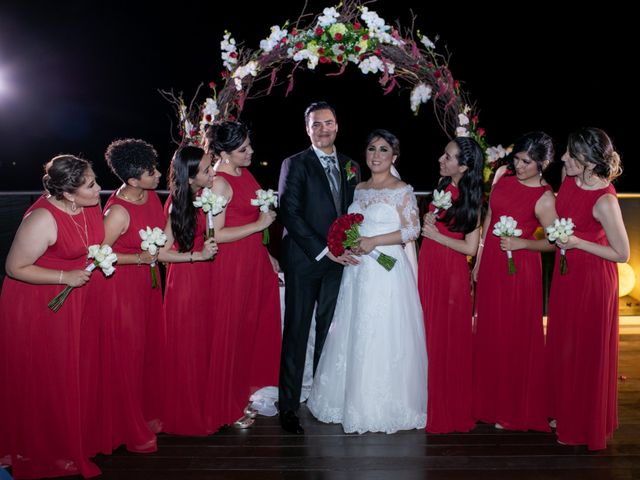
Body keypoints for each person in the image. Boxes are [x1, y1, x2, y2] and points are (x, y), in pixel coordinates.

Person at [307, 128, 427, 433]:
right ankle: (348, 400)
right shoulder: (358, 189)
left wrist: (374, 241)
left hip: (387, 272)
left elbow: (411, 231)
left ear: (394, 156)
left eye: (384, 150)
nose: (376, 155)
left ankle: (382, 403)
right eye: (372, 149)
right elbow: (354, 226)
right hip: (359, 271)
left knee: (383, 331)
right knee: (354, 330)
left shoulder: (402, 190)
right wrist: (352, 242)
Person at [0, 155, 103, 478]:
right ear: (68, 194)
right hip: (38, 304)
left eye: (95, 180)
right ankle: (45, 447)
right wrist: (64, 278)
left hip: (75, 300)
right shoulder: (42, 219)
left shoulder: (87, 206)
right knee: (48, 376)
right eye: (91, 185)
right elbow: (14, 268)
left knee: (73, 371)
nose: (99, 188)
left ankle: (71, 435)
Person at [278, 101, 361, 434]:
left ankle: (323, 400)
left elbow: (353, 209)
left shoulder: (351, 165)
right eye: (316, 125)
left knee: (331, 332)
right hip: (305, 259)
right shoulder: (294, 164)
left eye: (328, 123)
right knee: (296, 333)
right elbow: (291, 214)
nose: (323, 129)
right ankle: (288, 407)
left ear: (337, 125)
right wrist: (326, 250)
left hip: (339, 264)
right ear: (307, 129)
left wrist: (351, 242)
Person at [546, 127, 629, 449]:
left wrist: (578, 242)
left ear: (590, 163)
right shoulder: (569, 180)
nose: (563, 158)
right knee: (564, 345)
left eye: (571, 155)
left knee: (584, 352)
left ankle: (582, 423)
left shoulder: (605, 200)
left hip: (593, 281)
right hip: (567, 277)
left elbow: (622, 254)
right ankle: (563, 409)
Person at [81, 139, 163, 456]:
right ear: (131, 179)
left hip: (147, 287)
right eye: (151, 171)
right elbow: (98, 254)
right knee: (127, 357)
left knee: (146, 351)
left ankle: (144, 413)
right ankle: (125, 424)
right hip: (121, 291)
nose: (157, 174)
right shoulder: (117, 211)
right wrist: (139, 259)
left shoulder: (152, 196)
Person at [472, 132, 557, 432]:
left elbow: (554, 242)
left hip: (521, 268)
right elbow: (490, 215)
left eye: (527, 162)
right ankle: (487, 403)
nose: (519, 166)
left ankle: (513, 406)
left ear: (543, 164)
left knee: (515, 334)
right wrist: (479, 258)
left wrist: (523, 245)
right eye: (518, 158)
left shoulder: (545, 197)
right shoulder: (502, 174)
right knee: (490, 329)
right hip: (494, 262)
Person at [204, 121, 282, 428]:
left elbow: (248, 217)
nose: (250, 152)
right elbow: (217, 234)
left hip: (253, 261)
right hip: (231, 266)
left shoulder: (244, 172)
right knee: (232, 332)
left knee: (253, 329)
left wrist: (267, 253)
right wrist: (260, 226)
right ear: (223, 153)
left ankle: (246, 393)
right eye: (242, 149)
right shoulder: (220, 183)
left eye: (249, 145)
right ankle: (225, 404)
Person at [417, 137, 483, 433]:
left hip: (451, 274)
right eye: (444, 153)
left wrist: (435, 236)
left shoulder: (473, 198)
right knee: (426, 334)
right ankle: (423, 399)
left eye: (448, 156)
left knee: (446, 338)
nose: (441, 159)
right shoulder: (443, 186)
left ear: (464, 166)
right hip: (429, 267)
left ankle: (447, 405)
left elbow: (470, 248)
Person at [159, 145, 218, 435]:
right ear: (191, 176)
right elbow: (160, 253)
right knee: (189, 347)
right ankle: (188, 414)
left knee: (207, 343)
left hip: (207, 278)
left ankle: (208, 406)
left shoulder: (204, 196)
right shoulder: (176, 204)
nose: (212, 173)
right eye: (207, 170)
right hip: (186, 282)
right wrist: (197, 256)